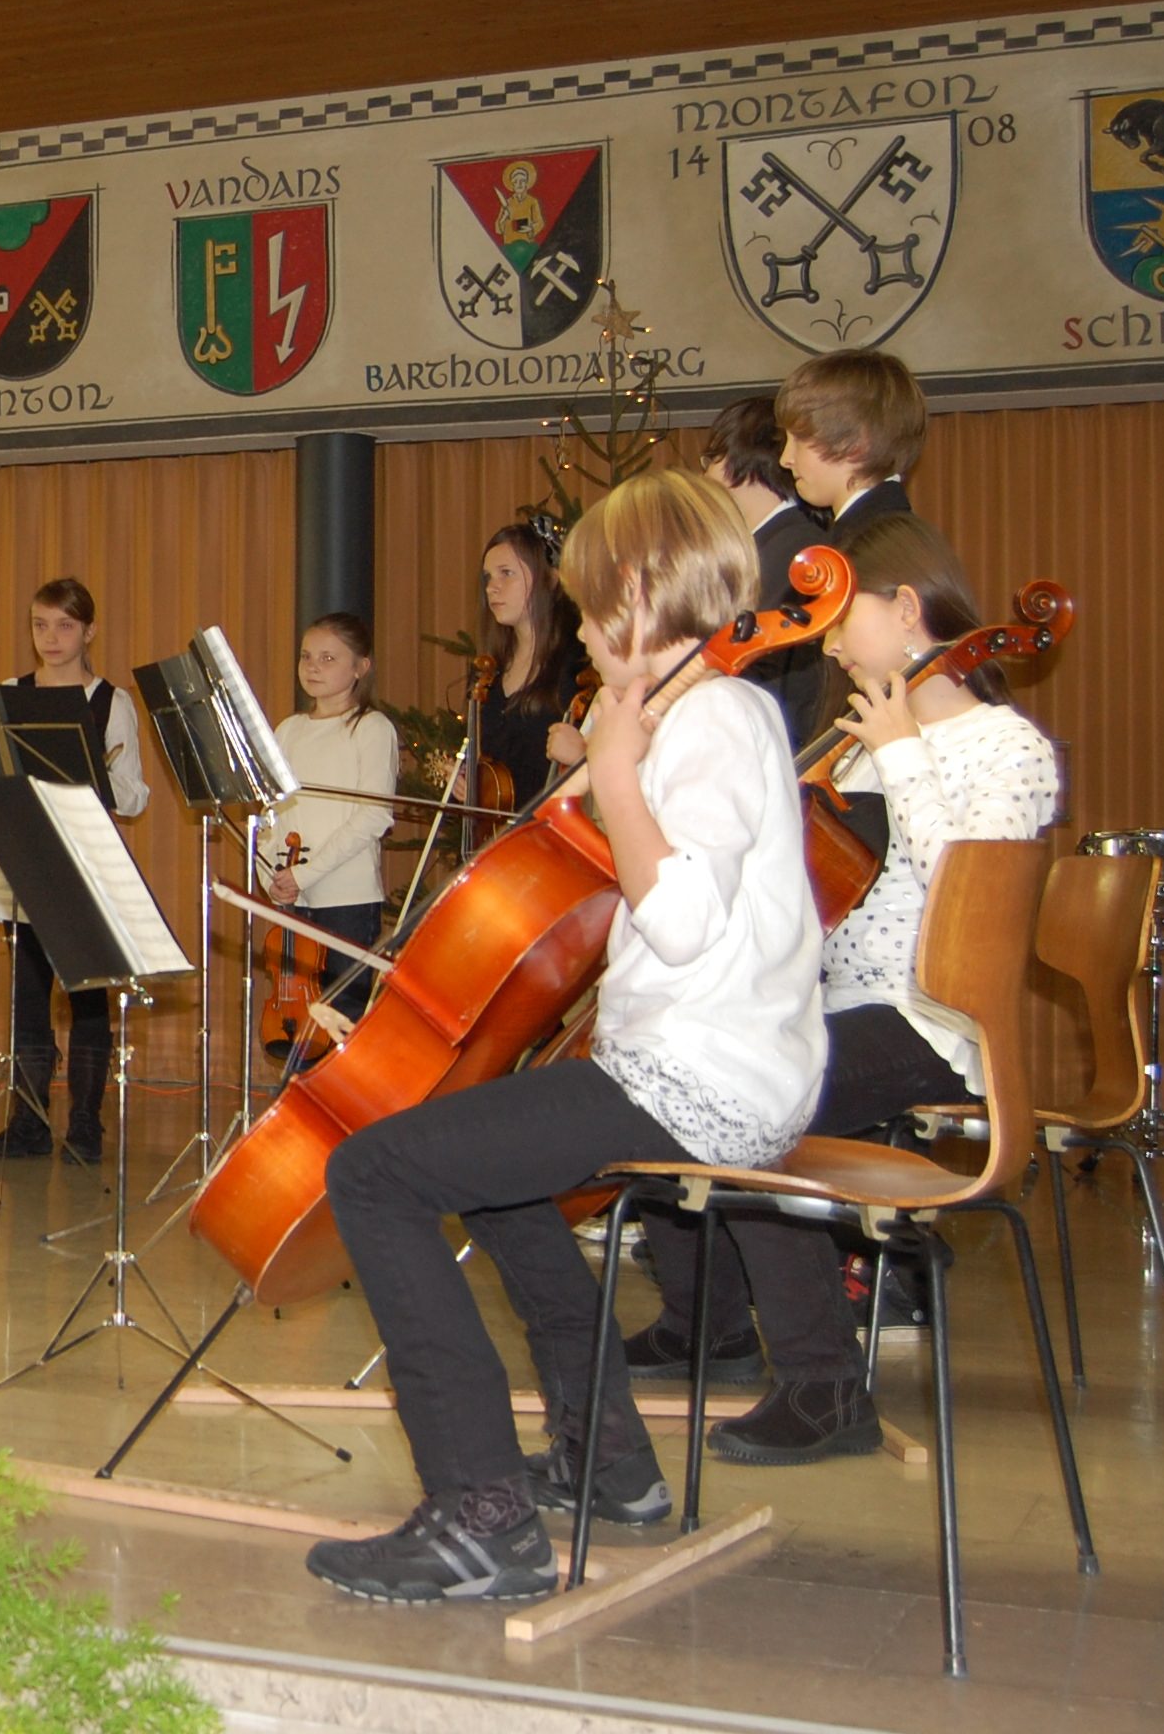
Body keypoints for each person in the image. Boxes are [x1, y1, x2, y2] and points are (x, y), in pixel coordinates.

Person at [304, 470, 823, 1603]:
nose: (581, 634)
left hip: (702, 1081)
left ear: (639, 594)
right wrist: (606, 769)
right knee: (490, 1178)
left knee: (375, 1172)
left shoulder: (717, 720)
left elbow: (679, 923)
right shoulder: (697, 715)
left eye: (590, 608)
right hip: (693, 1067)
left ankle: (481, 1519)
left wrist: (618, 774)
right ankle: (609, 1464)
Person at [616, 516, 1060, 1464]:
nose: (824, 642)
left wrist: (902, 754)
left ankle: (824, 1388)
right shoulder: (853, 747)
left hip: (931, 1022)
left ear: (905, 610)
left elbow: (968, 906)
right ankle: (708, 1325)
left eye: (841, 616)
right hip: (826, 1008)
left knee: (752, 1102)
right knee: (662, 1070)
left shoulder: (1007, 747)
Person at [0, 577, 150, 1164]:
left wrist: (97, 779)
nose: (51, 638)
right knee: (28, 999)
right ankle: (27, 1124)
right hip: (26, 860)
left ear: (89, 631)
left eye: (65, 626)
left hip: (85, 864)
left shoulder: (112, 702)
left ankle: (85, 1126)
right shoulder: (9, 693)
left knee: (88, 1001)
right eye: (40, 625)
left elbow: (135, 795)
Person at [265, 613, 400, 1031]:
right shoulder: (289, 730)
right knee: (298, 1020)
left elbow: (374, 815)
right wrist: (272, 873)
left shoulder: (371, 728)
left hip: (347, 899)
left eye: (328, 658)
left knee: (343, 1019)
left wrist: (304, 874)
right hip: (294, 896)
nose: (312, 667)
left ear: (361, 667)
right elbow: (271, 813)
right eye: (306, 656)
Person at [700, 394, 822, 750]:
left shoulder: (796, 549)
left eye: (712, 458)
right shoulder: (769, 544)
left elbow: (778, 675)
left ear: (745, 460)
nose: (704, 475)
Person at [468, 518, 588, 814]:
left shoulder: (578, 666)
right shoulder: (487, 672)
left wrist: (584, 755)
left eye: (506, 573)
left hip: (553, 831)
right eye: (488, 577)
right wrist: (470, 786)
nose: (492, 588)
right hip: (500, 836)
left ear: (550, 579)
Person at [775, 347, 926, 543]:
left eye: (800, 439)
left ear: (855, 444)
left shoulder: (866, 547)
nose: (785, 460)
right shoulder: (898, 533)